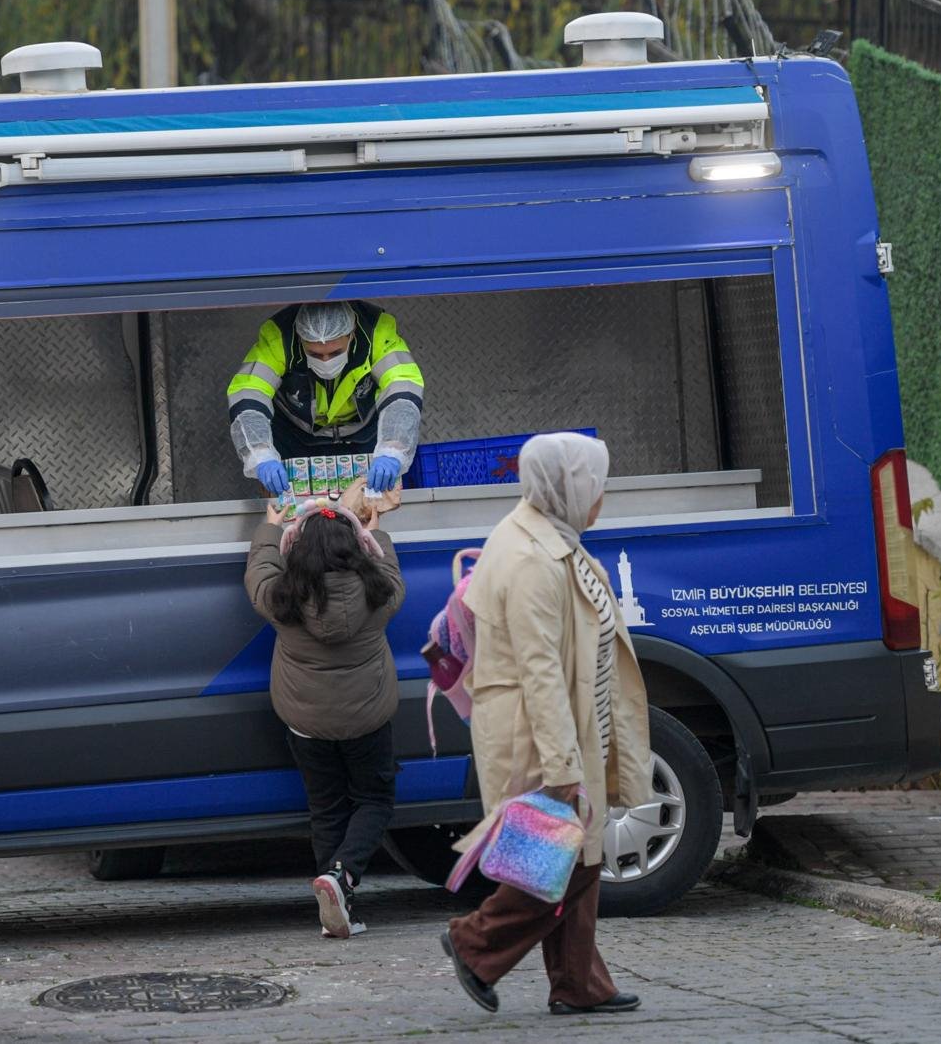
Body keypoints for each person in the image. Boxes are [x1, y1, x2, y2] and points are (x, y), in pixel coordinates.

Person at [438, 431, 654, 1016]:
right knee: (567, 858)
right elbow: (539, 671)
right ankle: (475, 942)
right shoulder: (533, 558)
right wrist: (562, 766)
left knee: (574, 854)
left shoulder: (547, 533)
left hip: (567, 720)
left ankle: (580, 983)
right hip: (539, 731)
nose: (602, 496)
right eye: (595, 484)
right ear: (569, 487)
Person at [244, 494, 406, 939]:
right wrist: (374, 530)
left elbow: (259, 573)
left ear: (297, 548)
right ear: (357, 550)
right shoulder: (382, 594)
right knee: (374, 802)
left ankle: (333, 898)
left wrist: (271, 526)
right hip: (368, 719)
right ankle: (342, 877)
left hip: (307, 723)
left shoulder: (282, 600)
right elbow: (387, 564)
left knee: (326, 809)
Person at [226, 301, 424, 499]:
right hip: (296, 436)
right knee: (297, 511)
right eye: (314, 354)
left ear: (352, 332)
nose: (326, 361)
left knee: (367, 505)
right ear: (300, 338)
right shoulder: (280, 337)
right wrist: (261, 454)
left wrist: (393, 448)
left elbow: (402, 387)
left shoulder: (376, 332)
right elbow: (249, 393)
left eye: (336, 352)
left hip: (362, 433)